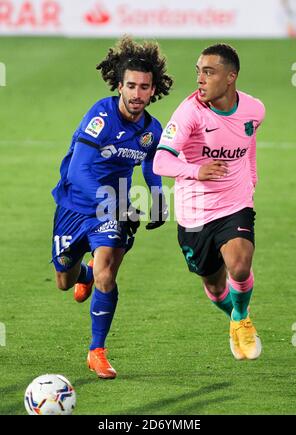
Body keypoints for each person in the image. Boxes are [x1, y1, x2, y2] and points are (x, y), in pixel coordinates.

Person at [51, 36, 172, 379]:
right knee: (64, 279)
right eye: (131, 85)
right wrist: (115, 202)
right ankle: (82, 274)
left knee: (107, 273)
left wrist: (157, 196)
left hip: (111, 209)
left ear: (153, 91)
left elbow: (150, 163)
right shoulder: (101, 117)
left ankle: (96, 350)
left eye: (144, 87)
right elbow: (78, 171)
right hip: (75, 204)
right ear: (120, 86)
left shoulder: (151, 130)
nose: (137, 94)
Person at [153, 43, 265, 361]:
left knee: (240, 265)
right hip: (195, 213)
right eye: (198, 71)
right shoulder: (189, 113)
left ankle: (241, 318)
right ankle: (235, 317)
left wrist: (252, 178)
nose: (200, 79)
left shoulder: (255, 109)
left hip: (235, 202)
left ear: (231, 77)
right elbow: (160, 162)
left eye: (209, 72)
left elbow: (248, 141)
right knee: (216, 288)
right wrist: (196, 171)